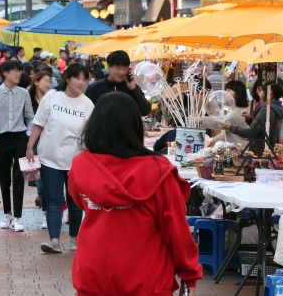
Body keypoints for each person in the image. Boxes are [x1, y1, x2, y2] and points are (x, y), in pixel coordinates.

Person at [69, 93, 202, 295]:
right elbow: (175, 228)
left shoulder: (81, 165)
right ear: (135, 126)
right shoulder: (158, 171)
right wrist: (189, 273)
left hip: (93, 272)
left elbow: (81, 202)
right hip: (146, 275)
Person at [27, 63, 94, 254]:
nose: (81, 82)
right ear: (67, 78)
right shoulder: (52, 97)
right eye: (77, 78)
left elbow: (91, 133)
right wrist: (30, 145)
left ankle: (74, 238)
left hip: (76, 160)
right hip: (50, 157)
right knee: (54, 200)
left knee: (74, 201)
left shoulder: (87, 104)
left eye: (84, 79)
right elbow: (39, 123)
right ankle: (54, 240)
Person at [0, 59, 33, 231]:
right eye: (14, 70)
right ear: (4, 73)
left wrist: (27, 136)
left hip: (20, 137)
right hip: (1, 138)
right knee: (4, 177)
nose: (18, 73)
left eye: (19, 70)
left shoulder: (24, 93)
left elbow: (30, 117)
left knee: (19, 177)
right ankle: (7, 213)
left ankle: (18, 217)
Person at [217, 80, 283, 154]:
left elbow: (251, 132)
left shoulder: (266, 109)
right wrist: (249, 119)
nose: (259, 94)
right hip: (268, 150)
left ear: (270, 92)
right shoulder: (276, 108)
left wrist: (230, 127)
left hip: (261, 152)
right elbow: (261, 129)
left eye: (261, 91)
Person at [84, 51, 151, 117]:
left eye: (124, 69)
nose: (121, 72)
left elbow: (145, 111)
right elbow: (86, 114)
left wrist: (134, 89)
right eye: (118, 69)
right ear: (109, 67)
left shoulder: (132, 87)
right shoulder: (95, 88)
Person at [28, 69, 53, 227]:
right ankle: (45, 212)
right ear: (36, 82)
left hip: (51, 142)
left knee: (52, 180)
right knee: (40, 180)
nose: (48, 84)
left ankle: (53, 209)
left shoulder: (53, 99)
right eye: (45, 80)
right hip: (34, 143)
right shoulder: (28, 99)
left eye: (50, 81)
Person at [202, 79, 248, 146]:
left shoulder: (239, 112)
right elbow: (228, 132)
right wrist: (215, 139)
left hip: (242, 151)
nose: (226, 93)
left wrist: (199, 120)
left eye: (229, 90)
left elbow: (218, 123)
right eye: (226, 90)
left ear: (238, 94)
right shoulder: (231, 110)